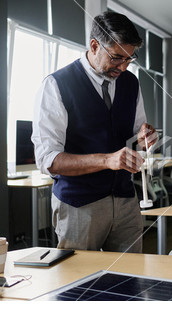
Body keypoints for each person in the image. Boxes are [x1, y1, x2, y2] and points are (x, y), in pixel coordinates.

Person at [32, 12, 157, 253]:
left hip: (125, 201)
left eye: (130, 59)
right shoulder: (56, 85)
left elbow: (137, 137)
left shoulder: (131, 83)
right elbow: (47, 160)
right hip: (79, 205)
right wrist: (107, 160)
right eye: (117, 58)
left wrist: (145, 138)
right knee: (78, 285)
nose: (123, 66)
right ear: (94, 45)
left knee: (129, 281)